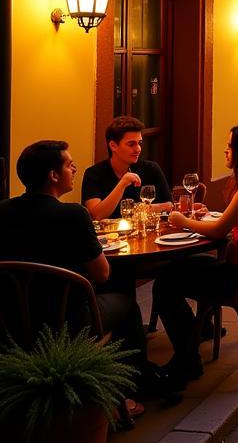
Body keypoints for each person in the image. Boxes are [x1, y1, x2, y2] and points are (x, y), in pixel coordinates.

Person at [0, 141, 163, 412]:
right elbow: (102, 273)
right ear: (53, 175)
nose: (74, 168)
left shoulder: (3, 210)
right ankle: (129, 392)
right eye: (68, 164)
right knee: (126, 305)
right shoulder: (72, 215)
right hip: (67, 318)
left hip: (12, 316)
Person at [154, 123, 238, 388]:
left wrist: (183, 220)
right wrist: (205, 218)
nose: (225, 151)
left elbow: (219, 230)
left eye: (230, 146)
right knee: (179, 267)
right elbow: (232, 223)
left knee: (164, 284)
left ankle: (188, 358)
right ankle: (198, 332)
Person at [81, 116, 172, 220]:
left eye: (140, 143)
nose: (138, 149)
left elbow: (169, 206)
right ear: (113, 146)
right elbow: (97, 215)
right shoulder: (93, 174)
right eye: (131, 144)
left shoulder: (151, 169)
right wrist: (123, 183)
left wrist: (136, 210)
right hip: (108, 235)